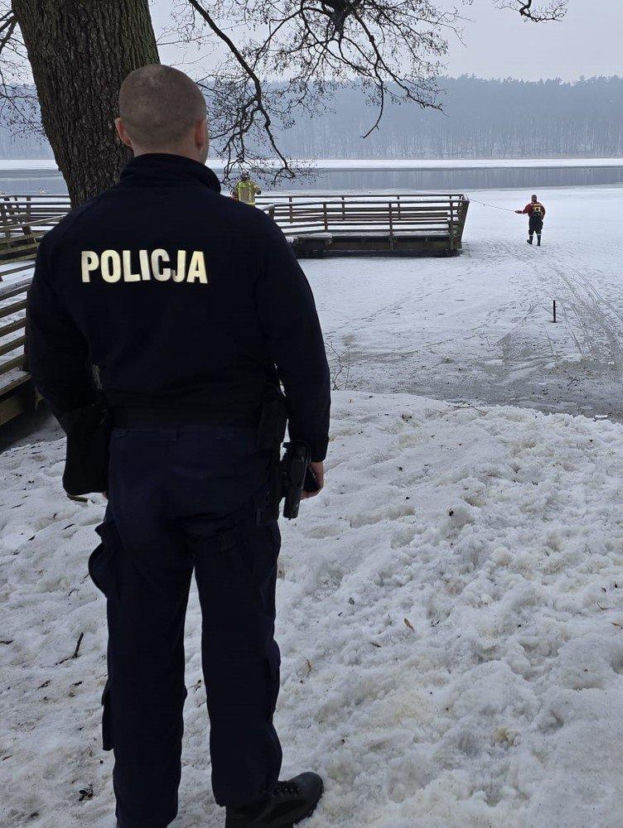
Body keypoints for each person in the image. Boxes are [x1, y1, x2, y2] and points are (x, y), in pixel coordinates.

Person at [26, 65, 330, 828]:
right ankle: (250, 797)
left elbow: (51, 360)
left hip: (136, 466)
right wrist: (312, 443)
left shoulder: (76, 240)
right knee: (238, 638)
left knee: (139, 645)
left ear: (123, 135)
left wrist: (94, 432)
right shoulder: (246, 234)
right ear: (202, 133)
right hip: (232, 462)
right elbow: (301, 349)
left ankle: (145, 810)